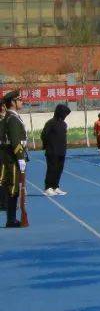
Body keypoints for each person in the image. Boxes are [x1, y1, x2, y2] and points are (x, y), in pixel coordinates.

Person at [1, 91, 30, 228]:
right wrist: (20, 158)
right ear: (12, 102)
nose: (21, 101)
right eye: (19, 99)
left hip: (13, 156)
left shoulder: (12, 117)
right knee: (13, 188)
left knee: (13, 187)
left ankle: (11, 218)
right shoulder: (12, 118)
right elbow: (15, 140)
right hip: (13, 158)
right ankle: (11, 219)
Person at [40, 103, 70, 197]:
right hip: (52, 151)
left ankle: (55, 186)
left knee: (59, 169)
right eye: (64, 113)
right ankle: (48, 187)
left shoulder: (64, 124)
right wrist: (47, 145)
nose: (65, 116)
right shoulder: (50, 123)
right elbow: (43, 135)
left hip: (61, 151)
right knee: (51, 169)